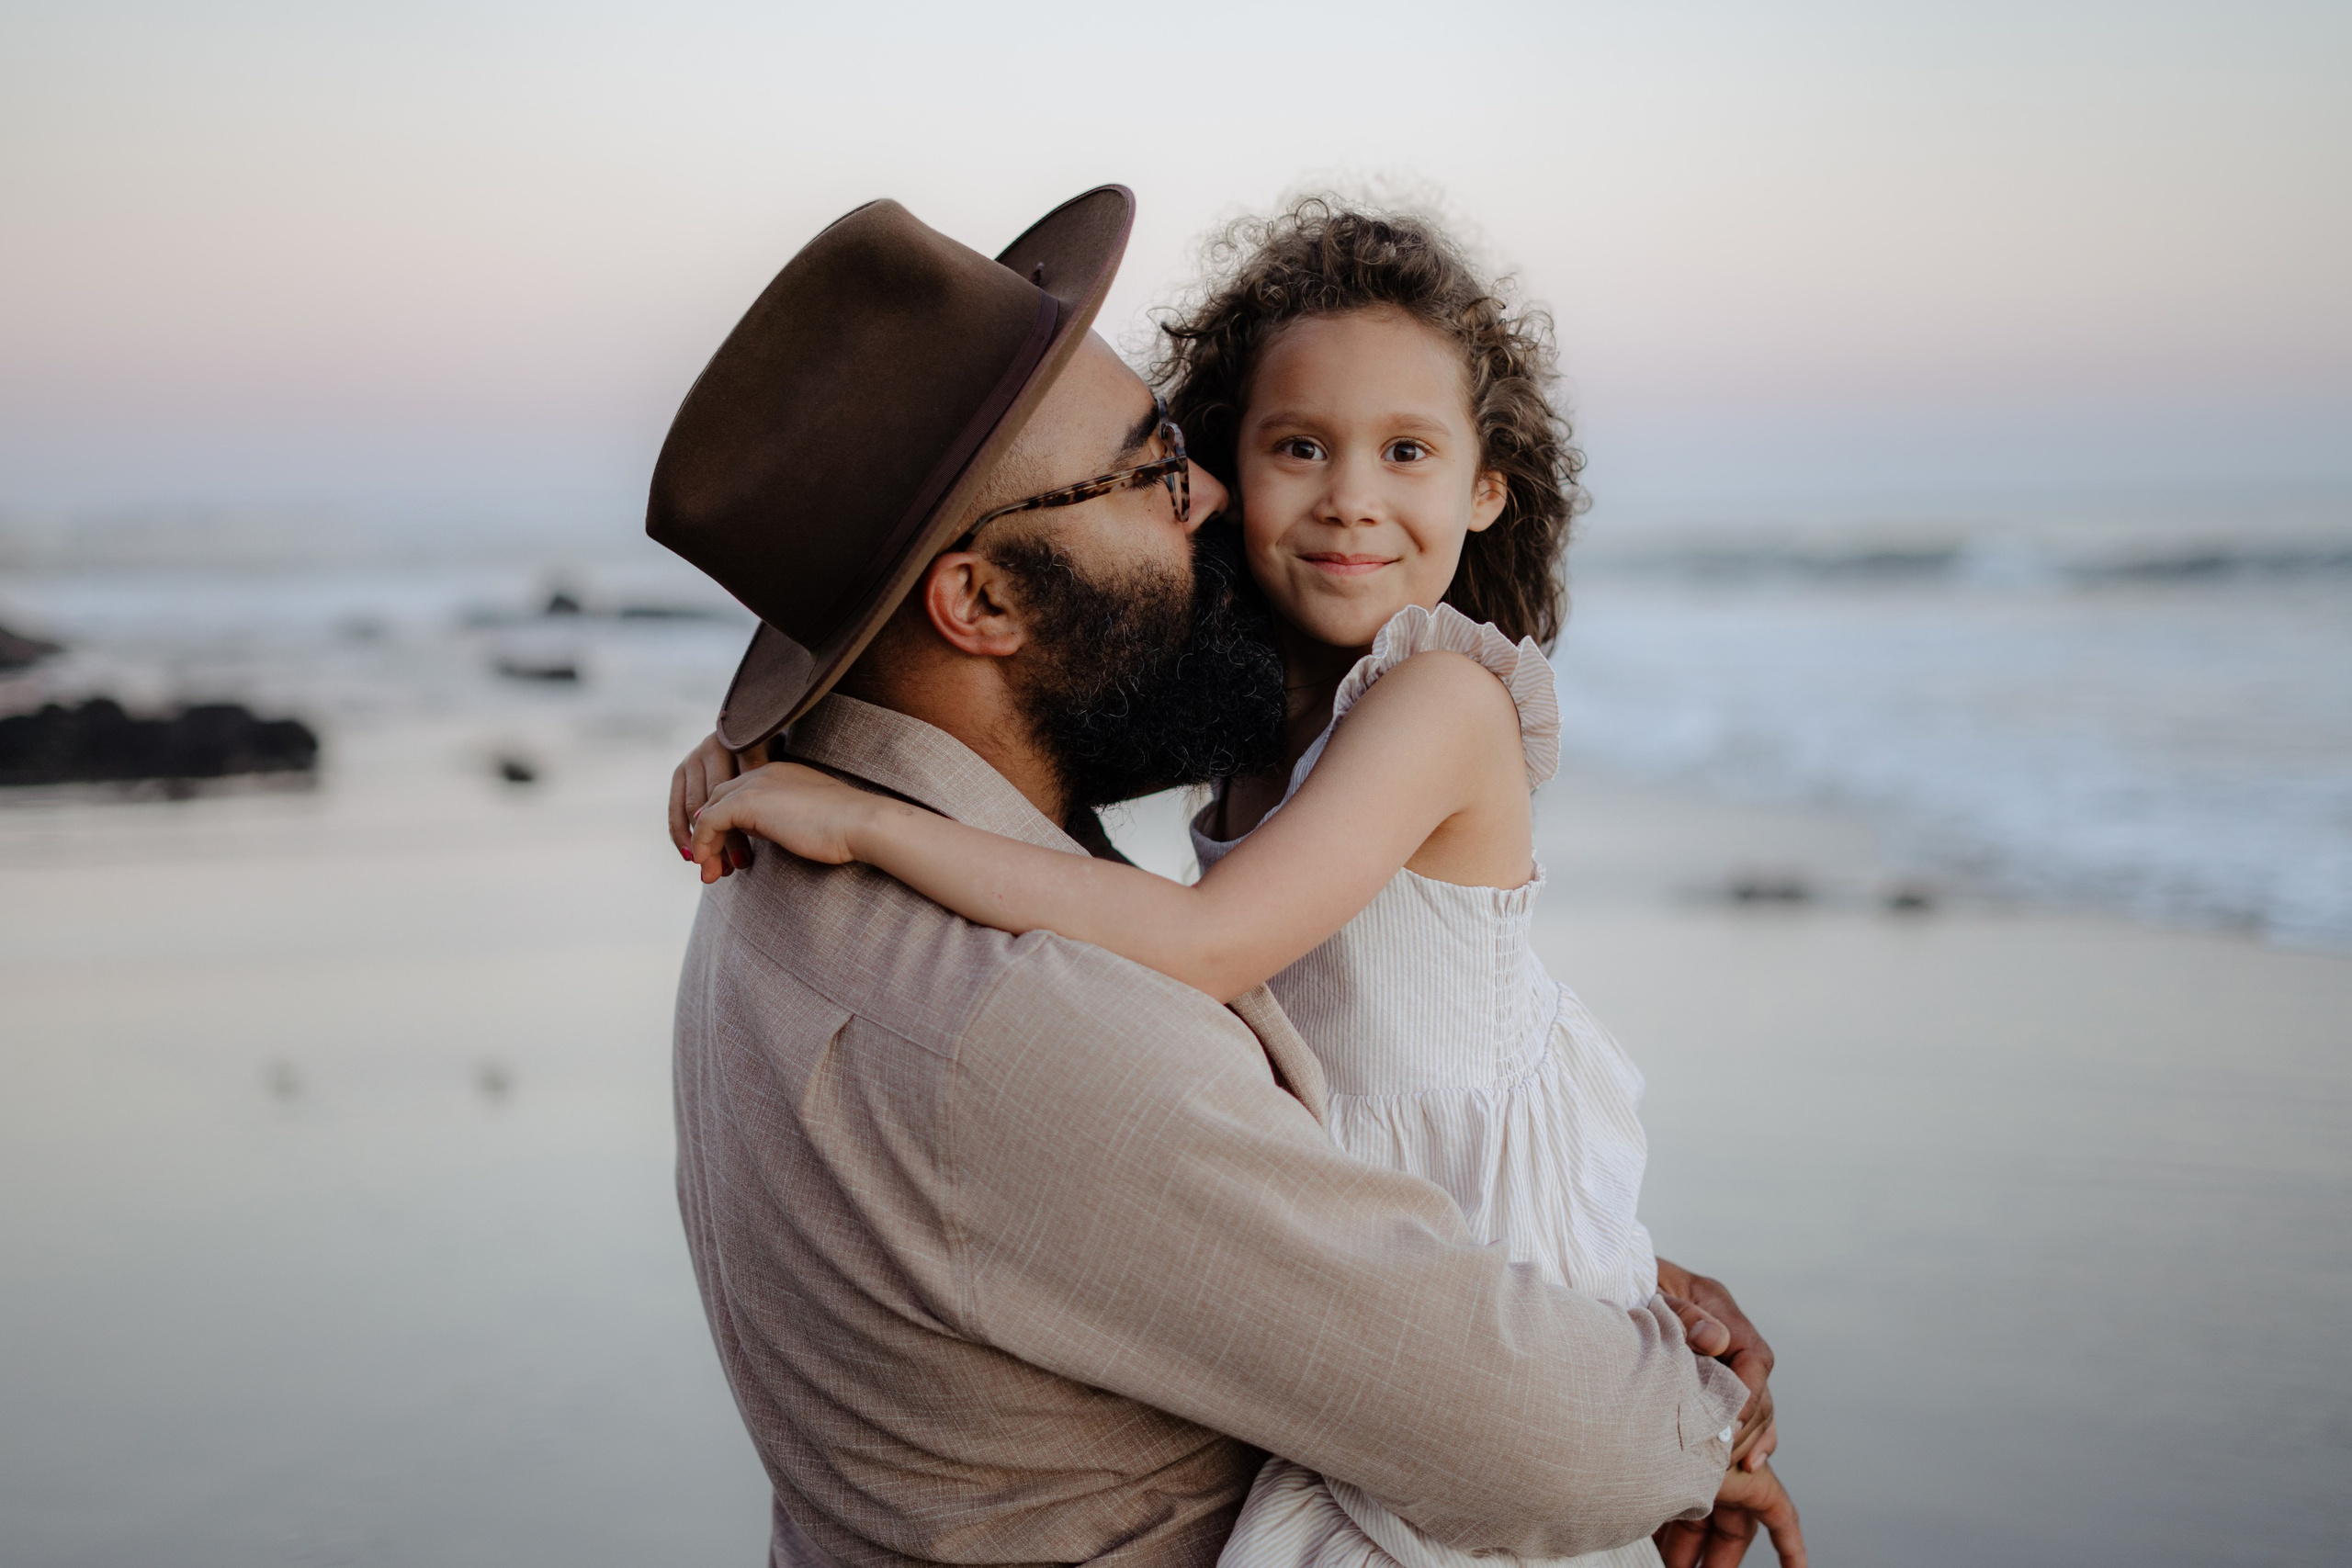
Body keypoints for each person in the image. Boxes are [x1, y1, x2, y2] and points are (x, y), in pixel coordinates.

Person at [652, 186, 1769, 1568]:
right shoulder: (1016, 1017)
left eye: (1183, 455)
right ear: (983, 605)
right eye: (1152, 470)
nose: (1215, 499)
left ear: (1486, 483)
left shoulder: (788, 893)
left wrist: (1605, 1278)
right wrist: (1692, 1425)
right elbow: (1578, 1443)